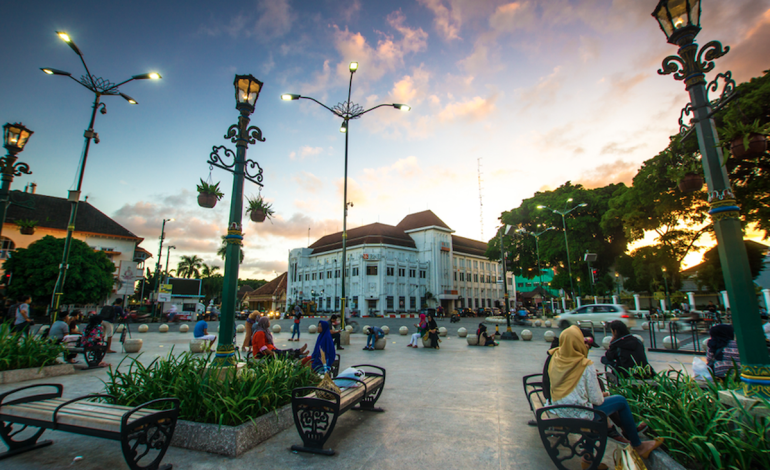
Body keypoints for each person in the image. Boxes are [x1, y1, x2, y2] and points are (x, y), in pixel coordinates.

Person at [547, 326, 663, 468]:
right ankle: (638, 445)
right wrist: (603, 394)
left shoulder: (556, 358)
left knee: (599, 415)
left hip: (559, 410)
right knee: (619, 401)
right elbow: (597, 400)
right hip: (577, 413)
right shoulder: (584, 364)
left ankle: (588, 460)